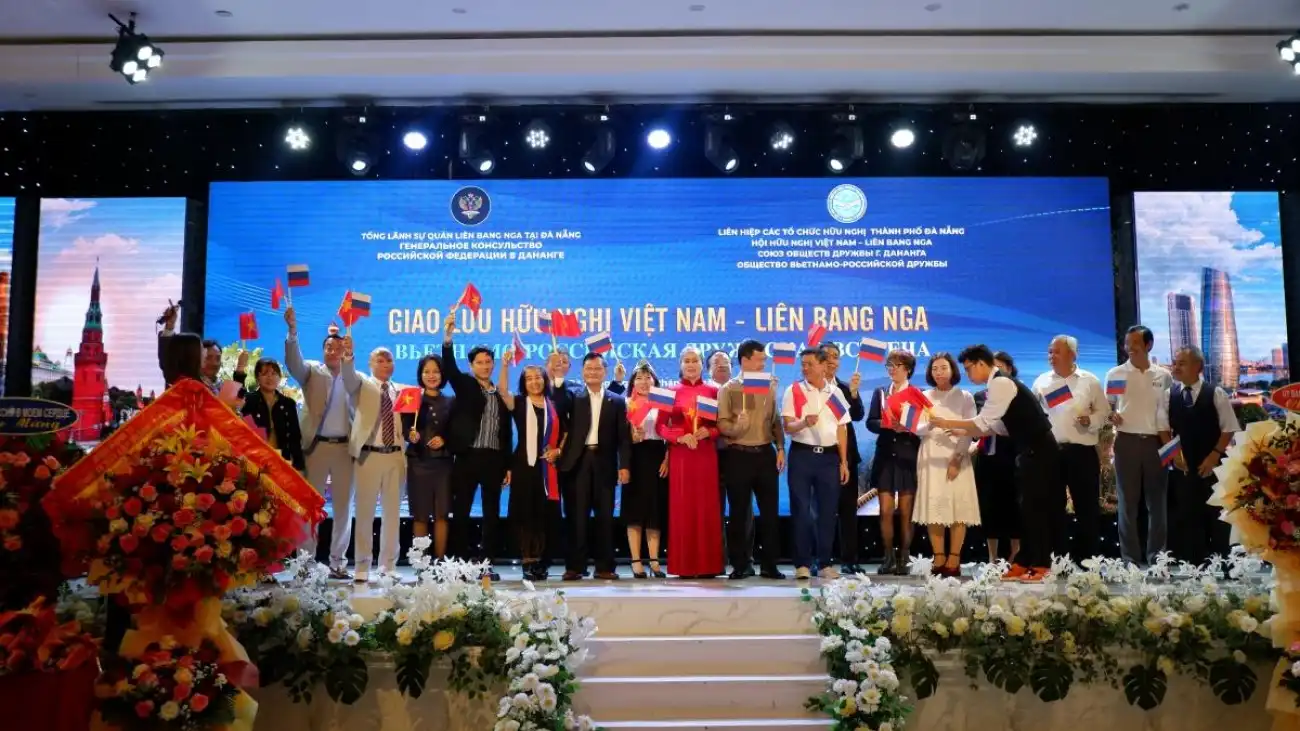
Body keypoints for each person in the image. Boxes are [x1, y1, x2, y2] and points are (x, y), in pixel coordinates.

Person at [931, 345, 1063, 583]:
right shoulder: (996, 384)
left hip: (1039, 449)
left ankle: (1041, 564)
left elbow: (983, 423)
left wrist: (947, 422)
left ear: (981, 363)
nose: (968, 375)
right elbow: (997, 427)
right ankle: (1024, 561)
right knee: (1026, 510)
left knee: (1036, 509)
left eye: (969, 369)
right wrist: (962, 429)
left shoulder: (1001, 383)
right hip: (1027, 450)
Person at [284, 307, 355, 580]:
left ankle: (338, 563)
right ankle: (305, 563)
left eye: (338, 347)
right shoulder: (312, 371)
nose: (332, 351)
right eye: (328, 347)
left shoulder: (354, 378)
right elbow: (294, 363)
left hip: (345, 449)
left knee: (343, 508)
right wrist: (292, 332)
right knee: (309, 506)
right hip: (315, 448)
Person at [442, 314, 511, 580]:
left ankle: (485, 564)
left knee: (492, 513)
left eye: (488, 362)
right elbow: (449, 368)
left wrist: (508, 465)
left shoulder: (501, 393)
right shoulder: (466, 385)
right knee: (461, 511)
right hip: (468, 456)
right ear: (471, 366)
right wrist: (448, 339)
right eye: (479, 362)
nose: (485, 366)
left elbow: (506, 433)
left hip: (494, 459)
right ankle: (460, 564)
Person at [1157, 346, 1240, 565]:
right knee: (1187, 516)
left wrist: (1214, 456)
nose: (1176, 367)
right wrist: (1174, 455)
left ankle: (1223, 564)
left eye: (1182, 363)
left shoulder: (1216, 393)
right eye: (1175, 363)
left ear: (1198, 367)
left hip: (1213, 465)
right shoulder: (1169, 395)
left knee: (1217, 516)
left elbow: (1229, 428)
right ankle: (1193, 566)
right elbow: (1162, 429)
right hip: (1182, 467)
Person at [1031, 335, 1110, 561]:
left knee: (1087, 508)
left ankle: (1088, 560)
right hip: (1051, 453)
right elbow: (1033, 415)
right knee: (1053, 507)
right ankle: (1059, 558)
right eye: (1049, 352)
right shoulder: (1041, 382)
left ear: (1072, 355)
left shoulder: (1089, 380)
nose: (1051, 356)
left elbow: (1104, 413)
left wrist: (1091, 420)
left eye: (1056, 351)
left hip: (1082, 452)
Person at [340, 338, 409, 583]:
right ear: (370, 364)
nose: (385, 364)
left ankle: (388, 565)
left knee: (393, 514)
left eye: (389, 360)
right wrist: (348, 356)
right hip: (368, 455)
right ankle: (362, 565)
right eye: (380, 360)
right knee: (365, 513)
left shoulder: (402, 391)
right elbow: (348, 377)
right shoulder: (362, 384)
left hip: (395, 456)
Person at [717, 340, 786, 580]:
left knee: (770, 513)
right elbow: (722, 424)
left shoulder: (769, 386)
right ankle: (741, 564)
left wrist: (780, 447)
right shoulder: (729, 389)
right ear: (745, 360)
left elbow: (776, 420)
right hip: (738, 455)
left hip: (765, 454)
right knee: (739, 513)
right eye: (760, 359)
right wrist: (738, 427)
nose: (764, 363)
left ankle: (770, 564)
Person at [1105, 325, 1173, 566]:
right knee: (1127, 504)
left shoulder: (1163, 376)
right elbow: (1109, 407)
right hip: (1127, 442)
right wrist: (1111, 416)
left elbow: (1169, 411)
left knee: (1158, 504)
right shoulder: (1116, 374)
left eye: (1135, 342)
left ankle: (1158, 558)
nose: (1129, 347)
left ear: (1148, 345)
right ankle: (1129, 560)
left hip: (1157, 443)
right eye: (1127, 343)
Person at [559, 353, 631, 580]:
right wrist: (558, 375)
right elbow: (558, 401)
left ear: (605, 372)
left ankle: (604, 567)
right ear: (582, 372)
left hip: (605, 463)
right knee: (576, 517)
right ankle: (575, 566)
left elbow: (623, 437)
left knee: (605, 518)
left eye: (597, 368)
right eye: (588, 368)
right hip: (577, 463)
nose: (593, 372)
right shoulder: (573, 396)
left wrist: (624, 465)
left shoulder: (616, 401)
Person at [782, 347, 852, 580]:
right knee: (801, 510)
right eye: (803, 364)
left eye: (810, 364)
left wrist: (843, 462)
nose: (805, 368)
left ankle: (824, 563)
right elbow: (787, 426)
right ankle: (802, 563)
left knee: (828, 511)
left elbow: (842, 428)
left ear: (823, 366)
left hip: (830, 459)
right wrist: (803, 423)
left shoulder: (835, 393)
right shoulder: (794, 390)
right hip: (802, 456)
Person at [657, 347, 726, 578]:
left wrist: (711, 432)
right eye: (686, 361)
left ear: (701, 364)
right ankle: (684, 566)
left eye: (694, 360)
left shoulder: (714, 391)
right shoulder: (669, 391)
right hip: (682, 456)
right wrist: (678, 437)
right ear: (680, 365)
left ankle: (708, 566)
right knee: (683, 508)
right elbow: (660, 426)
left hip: (705, 454)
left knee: (706, 507)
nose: (690, 364)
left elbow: (722, 425)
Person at [499, 353, 566, 581]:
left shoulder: (553, 405)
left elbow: (566, 433)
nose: (534, 382)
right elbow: (502, 391)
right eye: (529, 379)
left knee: (545, 516)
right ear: (523, 383)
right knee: (525, 514)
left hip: (548, 467)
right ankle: (528, 560)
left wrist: (558, 451)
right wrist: (505, 366)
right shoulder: (518, 402)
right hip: (524, 466)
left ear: (544, 380)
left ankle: (542, 561)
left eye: (538, 377)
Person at [913, 353, 980, 577]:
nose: (939, 372)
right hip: (931, 455)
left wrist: (957, 458)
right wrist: (930, 425)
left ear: (952, 370)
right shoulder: (923, 396)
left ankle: (954, 557)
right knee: (935, 507)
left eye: (943, 368)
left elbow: (971, 429)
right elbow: (916, 429)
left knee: (957, 507)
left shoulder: (965, 396)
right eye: (935, 369)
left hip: (956, 455)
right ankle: (939, 555)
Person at [865, 349, 921, 575]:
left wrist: (907, 427)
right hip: (885, 456)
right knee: (885, 511)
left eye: (897, 365)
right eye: (889, 365)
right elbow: (871, 422)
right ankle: (888, 557)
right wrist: (886, 424)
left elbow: (922, 424)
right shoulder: (880, 393)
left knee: (907, 512)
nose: (892, 369)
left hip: (908, 455)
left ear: (908, 369)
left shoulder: (917, 393)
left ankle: (904, 558)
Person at [611, 361, 669, 578]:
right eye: (639, 378)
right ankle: (636, 560)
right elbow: (618, 437)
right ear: (632, 383)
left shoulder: (663, 402)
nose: (644, 382)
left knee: (655, 510)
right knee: (634, 511)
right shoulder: (626, 403)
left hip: (658, 457)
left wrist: (668, 459)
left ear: (654, 381)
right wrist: (631, 436)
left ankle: (654, 561)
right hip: (634, 458)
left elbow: (671, 432)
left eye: (648, 377)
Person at [401, 354, 454, 559]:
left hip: (443, 464)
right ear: (420, 375)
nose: (431, 376)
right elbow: (406, 428)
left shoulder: (451, 401)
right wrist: (411, 435)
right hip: (418, 462)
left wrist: (445, 439)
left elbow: (456, 431)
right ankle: (421, 564)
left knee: (442, 515)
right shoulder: (412, 398)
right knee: (420, 515)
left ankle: (440, 562)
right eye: (426, 372)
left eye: (436, 371)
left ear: (442, 374)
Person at [820, 342, 866, 574]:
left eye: (835, 356)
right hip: (820, 457)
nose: (832, 360)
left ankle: (849, 560)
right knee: (821, 512)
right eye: (827, 356)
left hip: (846, 456)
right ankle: (821, 560)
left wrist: (855, 393)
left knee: (848, 511)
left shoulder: (846, 388)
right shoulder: (809, 388)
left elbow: (857, 415)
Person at [972, 352, 1022, 565]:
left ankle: (1016, 555)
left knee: (1014, 506)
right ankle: (992, 557)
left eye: (1000, 367)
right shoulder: (979, 396)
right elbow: (978, 426)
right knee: (988, 507)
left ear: (1009, 369)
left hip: (1012, 457)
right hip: (987, 458)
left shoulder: (1017, 392)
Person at [240, 358, 307, 472]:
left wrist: (298, 466)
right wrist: (240, 369)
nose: (270, 377)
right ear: (257, 377)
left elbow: (295, 437)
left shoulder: (288, 404)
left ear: (279, 378)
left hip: (282, 460)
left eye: (274, 374)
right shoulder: (249, 400)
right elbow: (237, 395)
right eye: (265, 374)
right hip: (254, 459)